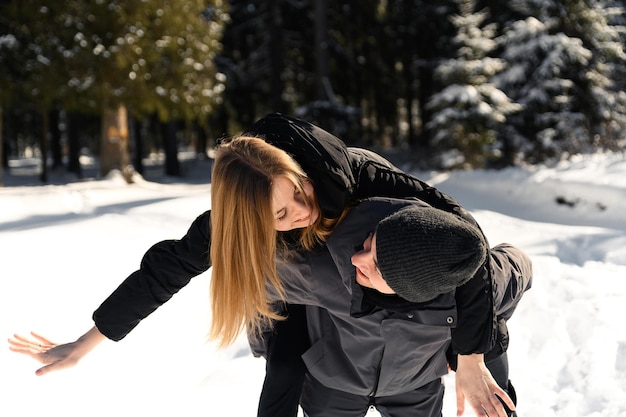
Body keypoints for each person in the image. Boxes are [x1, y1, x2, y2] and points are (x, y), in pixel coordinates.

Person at [9, 114, 508, 416]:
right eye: (280, 215)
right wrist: (88, 341)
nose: (302, 209)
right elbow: (164, 270)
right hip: (297, 299)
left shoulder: (363, 178)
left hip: (371, 281)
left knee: (478, 326)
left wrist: (471, 360)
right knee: (284, 368)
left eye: (298, 190)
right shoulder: (235, 226)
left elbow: (468, 248)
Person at [350, 203, 533, 417]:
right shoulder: (343, 265)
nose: (356, 259)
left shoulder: (463, 286)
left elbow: (519, 262)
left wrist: (472, 348)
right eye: (370, 242)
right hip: (347, 382)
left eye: (380, 267)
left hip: (442, 370)